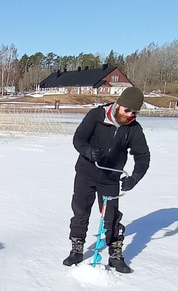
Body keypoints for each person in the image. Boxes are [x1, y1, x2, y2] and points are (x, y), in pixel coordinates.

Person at [63, 86, 150, 273]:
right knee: (80, 211)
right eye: (127, 110)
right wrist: (88, 152)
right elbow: (78, 138)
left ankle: (115, 254)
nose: (130, 115)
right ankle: (77, 249)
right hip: (86, 173)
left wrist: (134, 178)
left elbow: (143, 156)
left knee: (111, 216)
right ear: (118, 105)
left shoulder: (133, 128)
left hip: (110, 178)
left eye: (134, 112)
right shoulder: (96, 115)